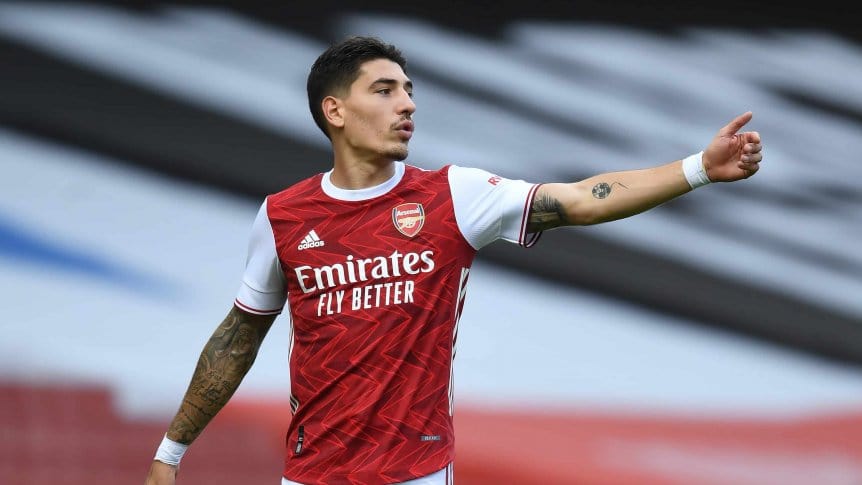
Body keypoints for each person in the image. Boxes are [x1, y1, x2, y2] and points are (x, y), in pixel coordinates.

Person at [145, 36, 763, 485]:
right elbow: (239, 336)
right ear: (335, 111)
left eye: (409, 91)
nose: (407, 104)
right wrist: (170, 454)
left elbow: (580, 200)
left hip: (415, 470)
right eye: (384, 90)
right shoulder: (283, 216)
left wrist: (698, 169)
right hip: (312, 474)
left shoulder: (453, 196)